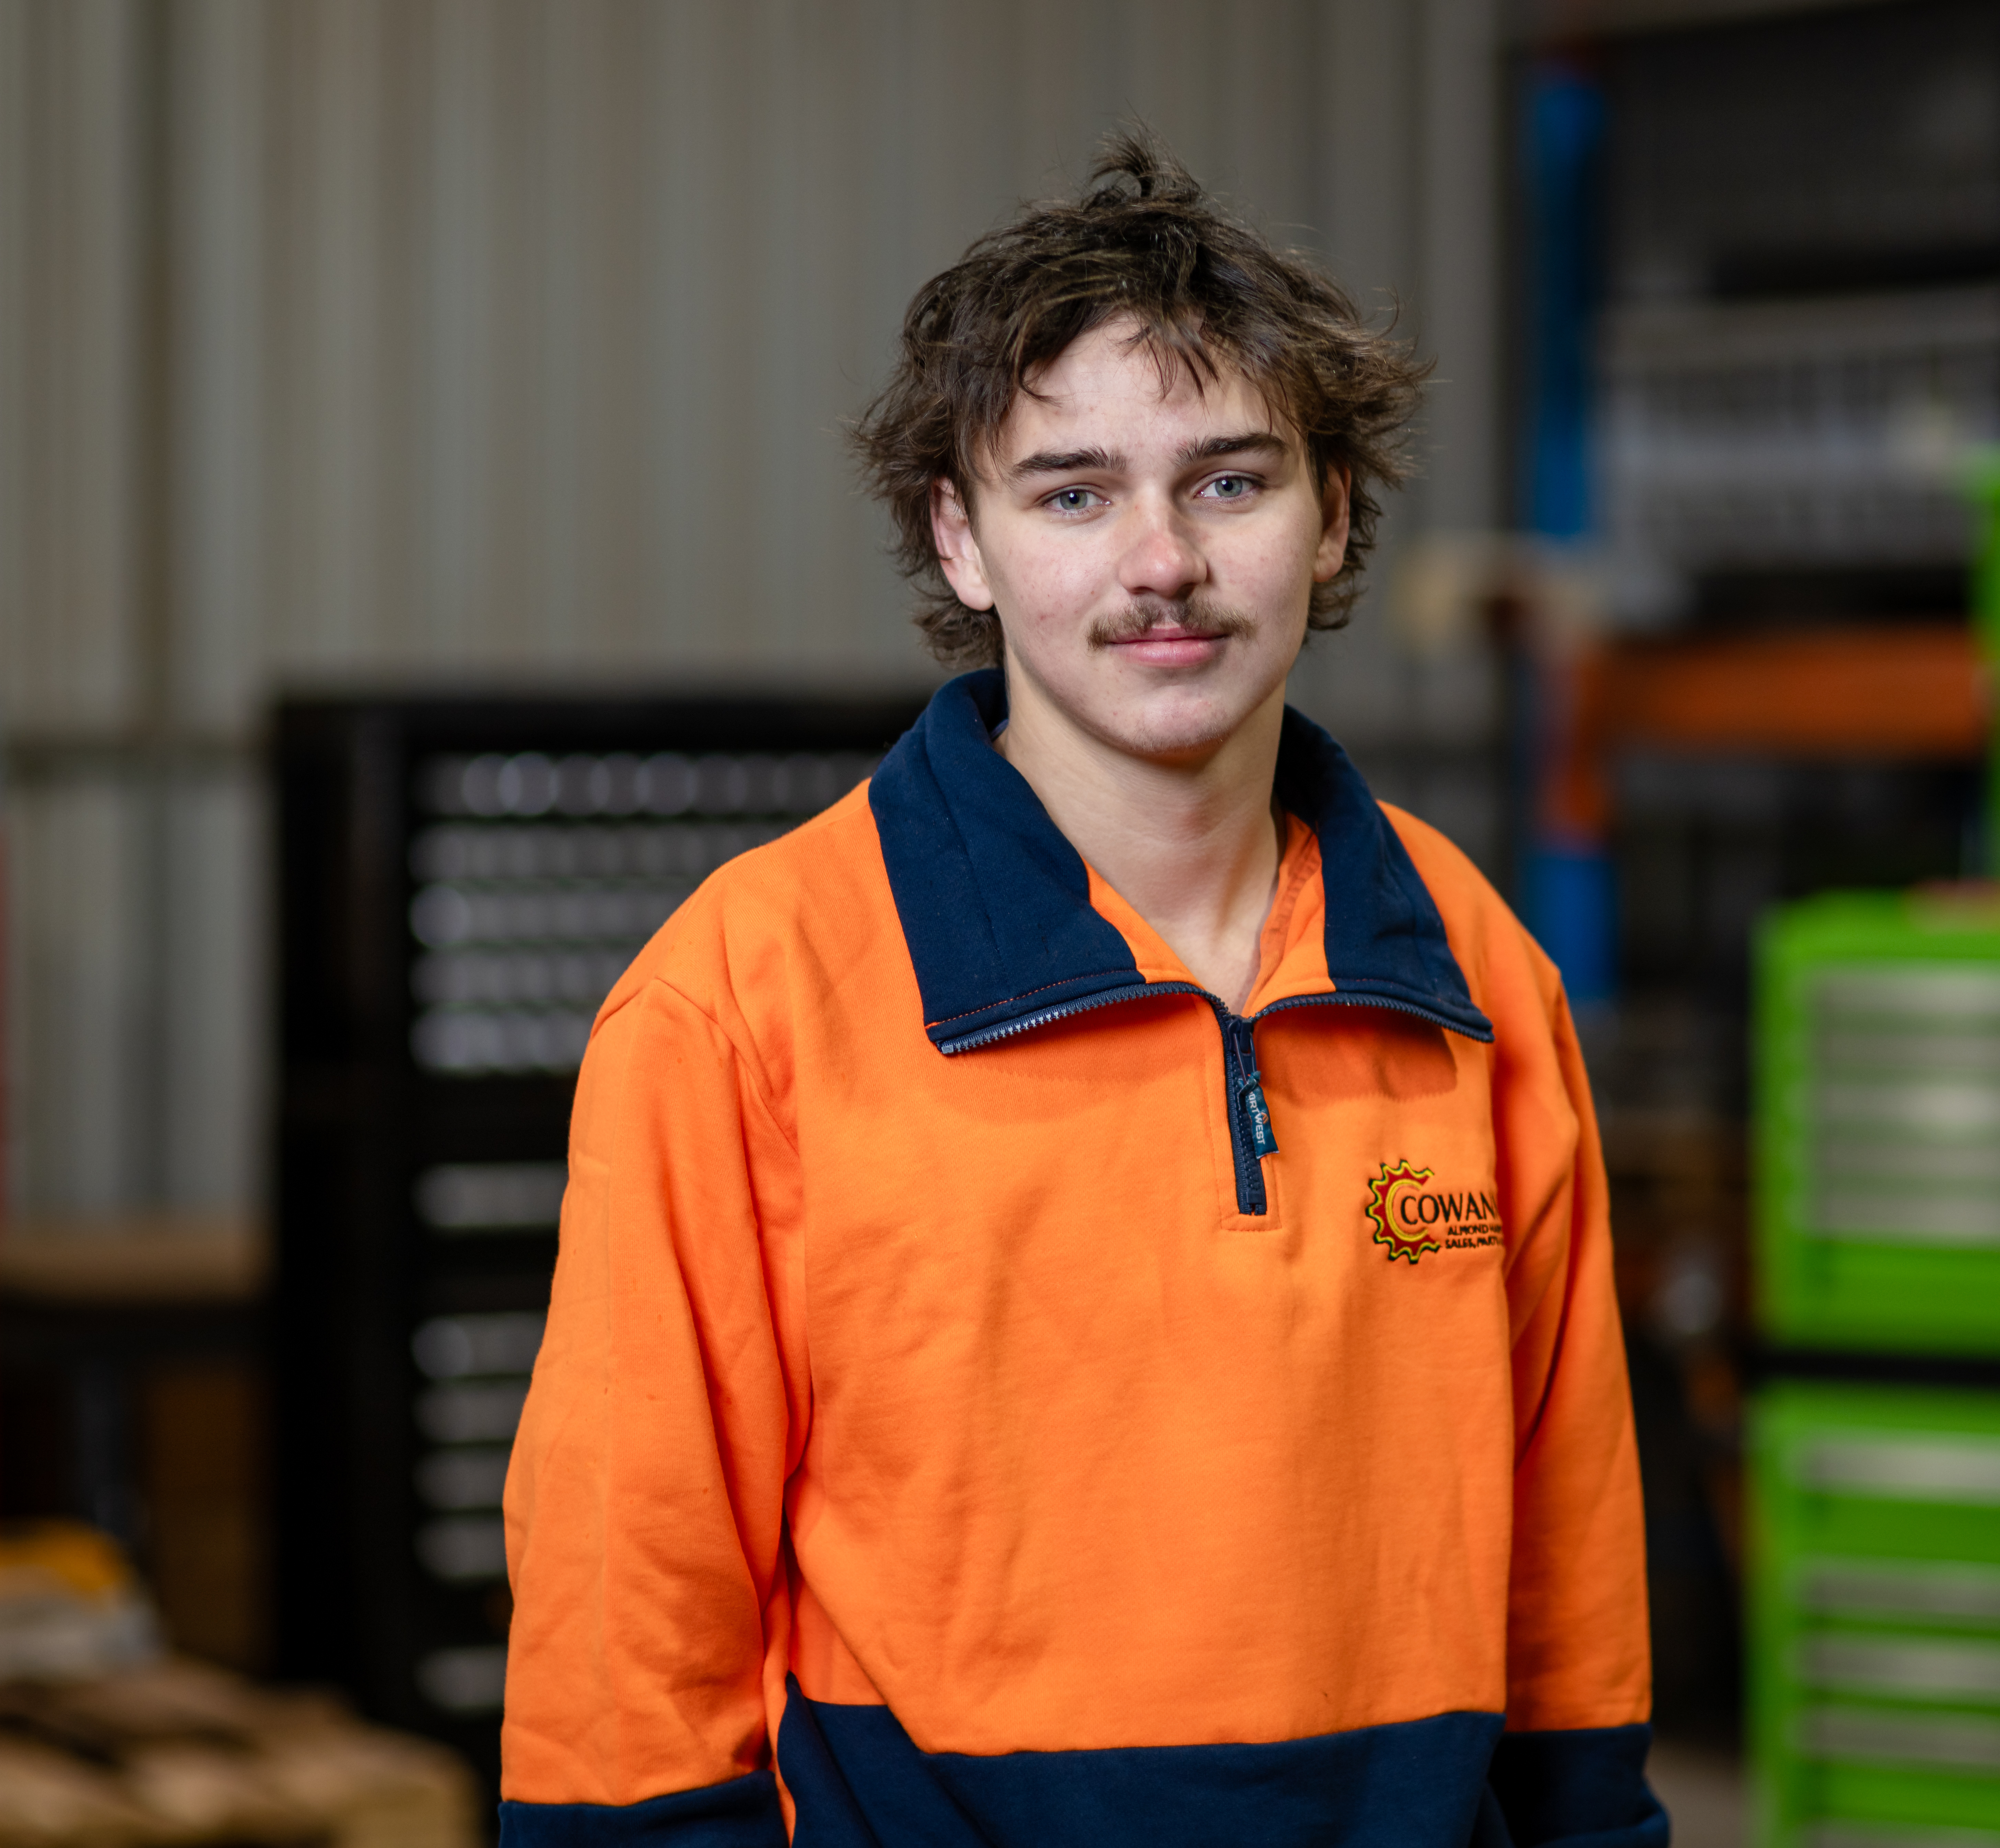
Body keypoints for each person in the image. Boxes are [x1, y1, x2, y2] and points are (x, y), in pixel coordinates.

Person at [496, 133, 1660, 1848]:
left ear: (1332, 514)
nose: (1161, 562)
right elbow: (628, 1600)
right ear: (959, 542)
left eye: (1229, 483)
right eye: (1073, 492)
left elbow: (1568, 1546)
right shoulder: (744, 997)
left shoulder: (1473, 973)